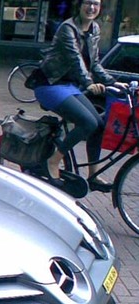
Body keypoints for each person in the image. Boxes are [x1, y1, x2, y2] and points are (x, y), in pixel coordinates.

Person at [33, 0, 127, 192]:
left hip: (69, 85)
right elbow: (75, 59)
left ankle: (93, 175)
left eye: (96, 4)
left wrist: (112, 82)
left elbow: (94, 63)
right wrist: (89, 84)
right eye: (88, 3)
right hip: (50, 83)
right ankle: (53, 161)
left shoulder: (94, 29)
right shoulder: (67, 28)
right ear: (80, 5)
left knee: (99, 126)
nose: (92, 8)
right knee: (88, 123)